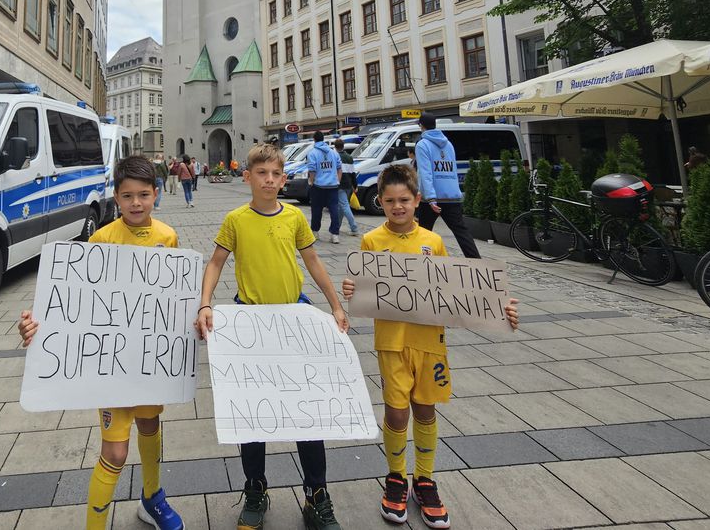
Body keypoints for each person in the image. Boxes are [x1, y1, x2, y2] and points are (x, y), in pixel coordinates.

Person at [342, 164, 519, 529]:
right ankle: (395, 476)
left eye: (405, 200)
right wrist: (352, 290)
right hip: (391, 342)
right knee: (396, 411)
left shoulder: (432, 242)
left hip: (430, 342)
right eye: (390, 201)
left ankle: (424, 479)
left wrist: (498, 306)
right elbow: (364, 287)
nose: (398, 207)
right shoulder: (371, 240)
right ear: (382, 202)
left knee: (424, 408)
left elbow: (456, 290)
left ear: (417, 200)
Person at [18, 156, 184, 530]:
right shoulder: (100, 239)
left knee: (150, 425)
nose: (137, 203)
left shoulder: (168, 237)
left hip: (148, 363)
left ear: (156, 194)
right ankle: (96, 525)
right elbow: (71, 300)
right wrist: (36, 325)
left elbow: (176, 297)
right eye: (128, 196)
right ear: (116, 197)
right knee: (115, 450)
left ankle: (153, 499)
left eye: (144, 194)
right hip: (109, 366)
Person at [196, 143, 347, 529]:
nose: (268, 180)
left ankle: (316, 493)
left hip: (292, 319)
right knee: (252, 414)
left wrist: (335, 305)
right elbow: (215, 263)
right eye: (260, 173)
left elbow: (313, 262)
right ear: (247, 178)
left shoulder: (295, 217)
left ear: (283, 179)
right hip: (251, 322)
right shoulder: (236, 219)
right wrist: (205, 303)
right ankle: (255, 488)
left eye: (274, 174)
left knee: (306, 412)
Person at [414, 114, 480, 259]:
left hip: (432, 199)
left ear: (421, 126)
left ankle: (423, 261)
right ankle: (476, 262)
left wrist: (431, 198)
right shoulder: (448, 144)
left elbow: (425, 173)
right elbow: (452, 170)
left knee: (424, 233)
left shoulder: (422, 145)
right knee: (461, 231)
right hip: (451, 196)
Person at [306, 131, 344, 243]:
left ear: (314, 139)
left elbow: (312, 170)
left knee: (317, 210)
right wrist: (337, 181)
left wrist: (311, 182)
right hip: (333, 186)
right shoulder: (334, 153)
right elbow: (339, 168)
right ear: (323, 139)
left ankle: (315, 232)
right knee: (334, 210)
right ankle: (335, 234)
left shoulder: (312, 153)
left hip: (318, 186)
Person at [333, 138, 358, 235]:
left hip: (339, 184)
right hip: (348, 184)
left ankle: (354, 228)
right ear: (343, 146)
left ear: (335, 147)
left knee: (344, 206)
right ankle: (337, 226)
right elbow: (353, 173)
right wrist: (355, 185)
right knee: (341, 207)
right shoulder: (349, 157)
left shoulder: (335, 157)